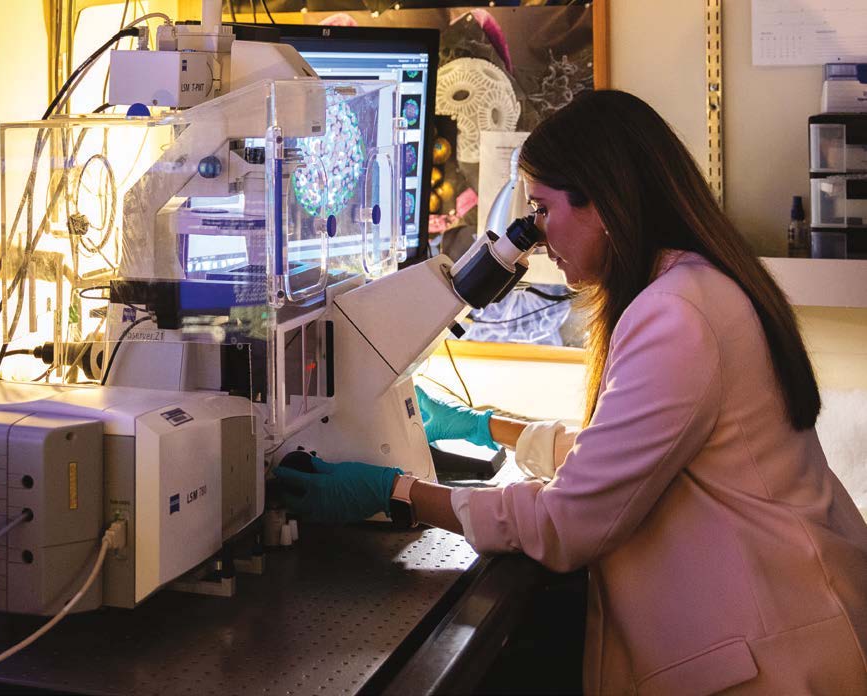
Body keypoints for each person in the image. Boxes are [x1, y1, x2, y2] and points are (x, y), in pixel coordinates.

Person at [274, 89, 867, 693]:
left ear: (604, 203)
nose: (537, 235)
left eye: (542, 209)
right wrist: (487, 428)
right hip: (785, 630)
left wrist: (397, 491)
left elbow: (570, 520)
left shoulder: (676, 314)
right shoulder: (696, 286)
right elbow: (635, 456)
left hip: (777, 658)